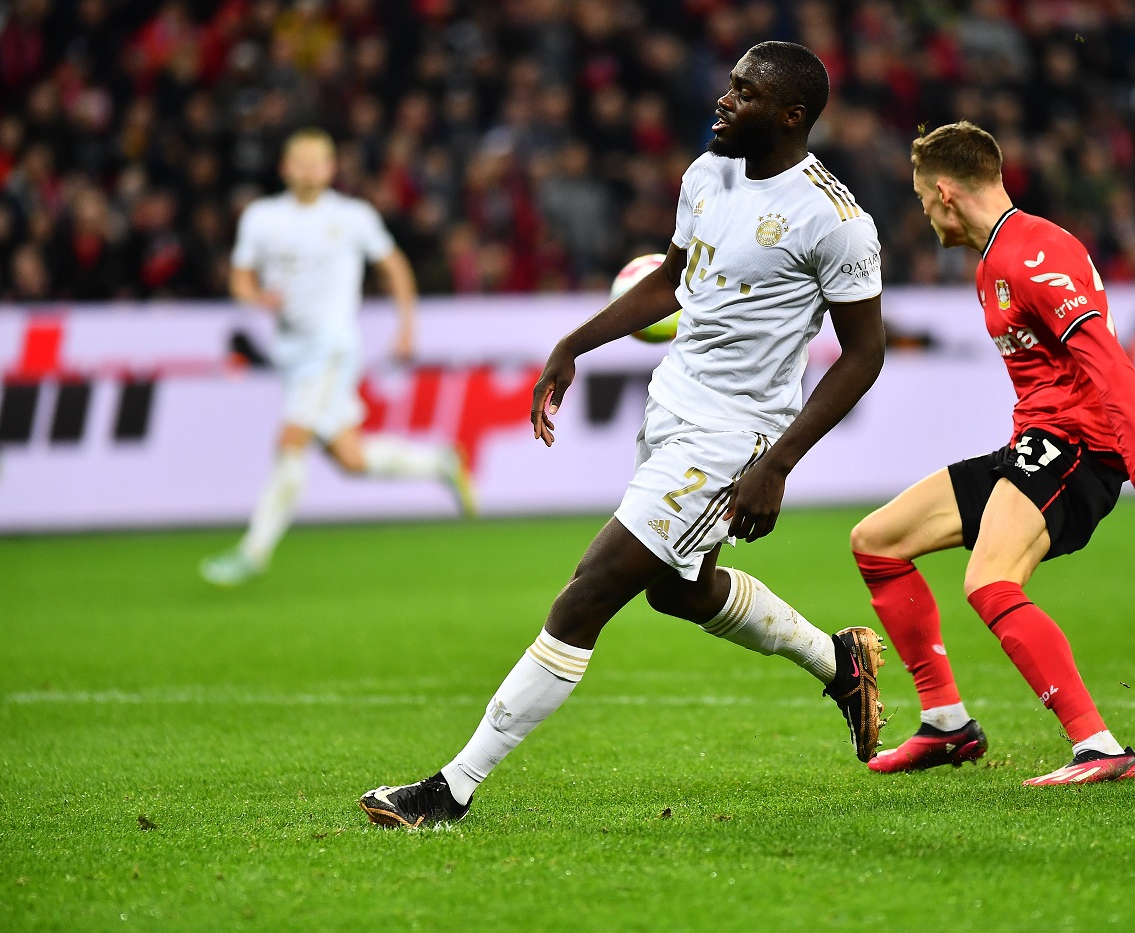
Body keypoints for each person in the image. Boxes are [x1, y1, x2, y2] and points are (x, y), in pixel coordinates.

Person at [361, 42, 889, 828]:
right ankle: (837, 659)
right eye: (729, 85)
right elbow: (671, 280)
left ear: (792, 115)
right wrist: (573, 343)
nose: (724, 100)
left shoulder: (836, 220)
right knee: (679, 590)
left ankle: (451, 789)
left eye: (744, 92)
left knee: (590, 589)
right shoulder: (706, 174)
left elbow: (865, 354)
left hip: (735, 435)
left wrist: (777, 463)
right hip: (671, 406)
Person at [850, 121, 1135, 786]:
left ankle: (1099, 746)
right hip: (1035, 443)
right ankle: (946, 724)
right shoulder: (993, 259)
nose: (923, 212)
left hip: (1077, 448)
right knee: (878, 542)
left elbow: (1109, 360)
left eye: (922, 199)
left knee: (989, 581)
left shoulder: (1034, 253)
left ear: (945, 193)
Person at [200, 128, 474, 587]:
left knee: (290, 440)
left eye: (318, 161)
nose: (309, 169)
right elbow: (240, 280)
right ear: (285, 168)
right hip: (291, 354)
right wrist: (258, 298)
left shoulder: (352, 216)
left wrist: (407, 326)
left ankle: (253, 552)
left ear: (331, 168)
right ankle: (439, 462)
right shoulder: (261, 217)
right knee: (351, 458)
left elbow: (394, 266)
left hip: (332, 349)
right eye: (300, 161)